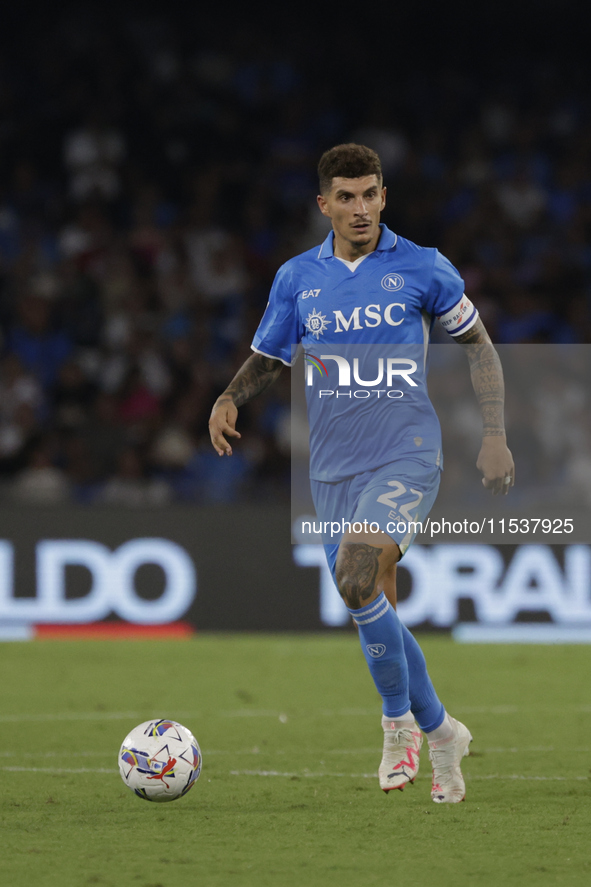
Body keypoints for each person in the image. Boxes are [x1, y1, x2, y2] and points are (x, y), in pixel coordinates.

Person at [209, 143, 514, 803]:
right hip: (332, 470)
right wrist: (231, 395)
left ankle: (402, 725)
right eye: (344, 197)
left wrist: (493, 434)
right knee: (369, 601)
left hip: (405, 452)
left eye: (369, 194)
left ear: (382, 197)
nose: (359, 208)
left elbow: (478, 345)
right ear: (323, 204)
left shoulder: (424, 268)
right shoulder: (297, 278)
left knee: (353, 574)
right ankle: (435, 729)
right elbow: (269, 355)